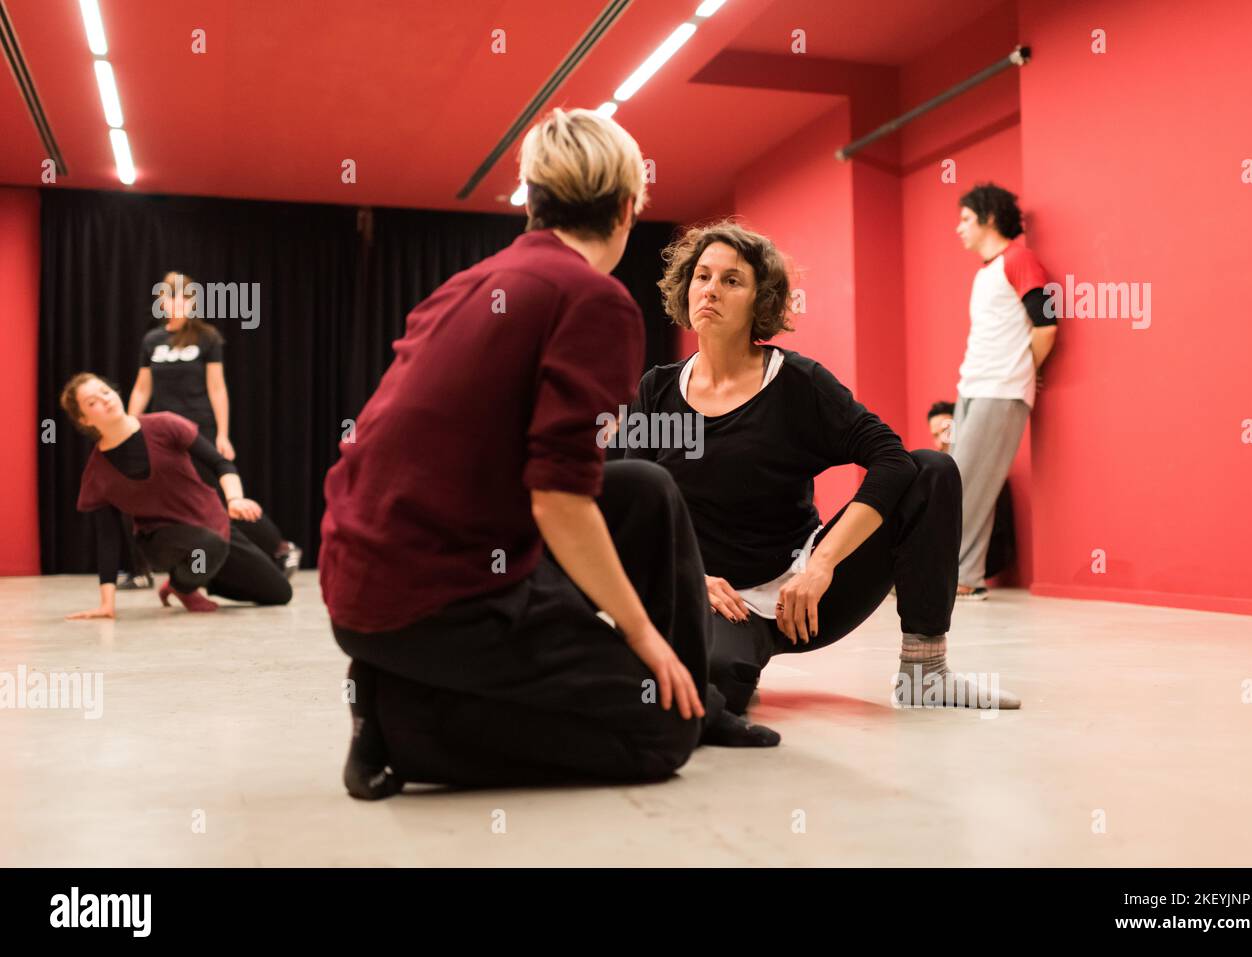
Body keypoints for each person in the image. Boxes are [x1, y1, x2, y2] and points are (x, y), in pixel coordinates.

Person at [319, 109, 767, 802]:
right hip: (428, 601)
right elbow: (557, 498)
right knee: (657, 735)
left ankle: (692, 691)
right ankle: (401, 716)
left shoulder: (469, 283)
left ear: (529, 202)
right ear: (625, 209)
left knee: (644, 488)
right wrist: (643, 636)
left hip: (370, 573)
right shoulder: (593, 299)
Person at [628, 221, 1021, 722]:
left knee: (931, 469)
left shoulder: (796, 383)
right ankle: (736, 658)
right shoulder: (658, 392)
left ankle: (926, 672)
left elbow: (891, 458)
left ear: (759, 300)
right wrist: (685, 577)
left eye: (732, 280)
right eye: (702, 276)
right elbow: (627, 503)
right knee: (711, 688)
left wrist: (821, 564)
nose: (711, 290)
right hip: (715, 596)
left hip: (806, 594)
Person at [61, 373, 292, 619]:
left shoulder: (164, 424)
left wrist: (235, 499)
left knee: (279, 593)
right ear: (84, 419)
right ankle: (185, 585)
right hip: (162, 540)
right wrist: (107, 604)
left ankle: (190, 579)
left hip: (213, 524)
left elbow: (220, 463)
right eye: (92, 402)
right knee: (207, 546)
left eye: (105, 392)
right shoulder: (97, 473)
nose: (105, 400)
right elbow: (107, 539)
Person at [127, 272, 301, 575]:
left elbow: (217, 388)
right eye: (170, 296)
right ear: (161, 302)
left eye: (183, 296)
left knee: (216, 498)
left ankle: (281, 548)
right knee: (151, 495)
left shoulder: (206, 337)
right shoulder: (152, 340)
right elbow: (143, 388)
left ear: (193, 302)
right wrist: (129, 427)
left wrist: (223, 434)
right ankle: (142, 570)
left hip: (199, 429)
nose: (176, 302)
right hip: (161, 433)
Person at [951, 183, 1055, 599]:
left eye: (965, 219)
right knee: (961, 481)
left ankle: (960, 575)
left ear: (989, 218)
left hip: (1001, 388)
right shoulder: (985, 272)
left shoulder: (1020, 258)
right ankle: (968, 575)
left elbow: (1046, 324)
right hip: (972, 385)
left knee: (963, 482)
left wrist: (1026, 368)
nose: (958, 229)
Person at [927, 400, 1015, 580]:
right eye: (935, 435)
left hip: (985, 556)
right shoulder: (941, 473)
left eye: (946, 432)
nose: (939, 443)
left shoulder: (983, 468)